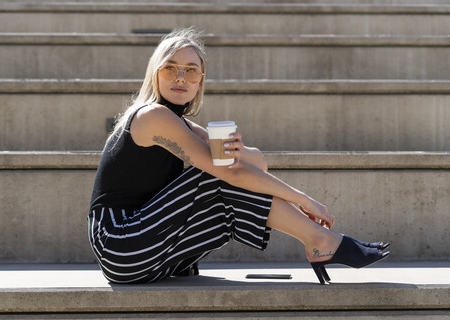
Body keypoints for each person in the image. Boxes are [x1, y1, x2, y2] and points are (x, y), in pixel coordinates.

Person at [88, 28, 389, 285]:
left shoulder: (182, 124)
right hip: (121, 244)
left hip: (153, 249)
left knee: (223, 170)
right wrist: (303, 200)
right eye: (170, 68)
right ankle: (321, 241)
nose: (181, 77)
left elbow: (254, 165)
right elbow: (230, 174)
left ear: (200, 81)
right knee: (215, 175)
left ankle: (320, 241)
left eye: (191, 70)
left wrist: (240, 151)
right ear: (156, 74)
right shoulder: (152, 116)